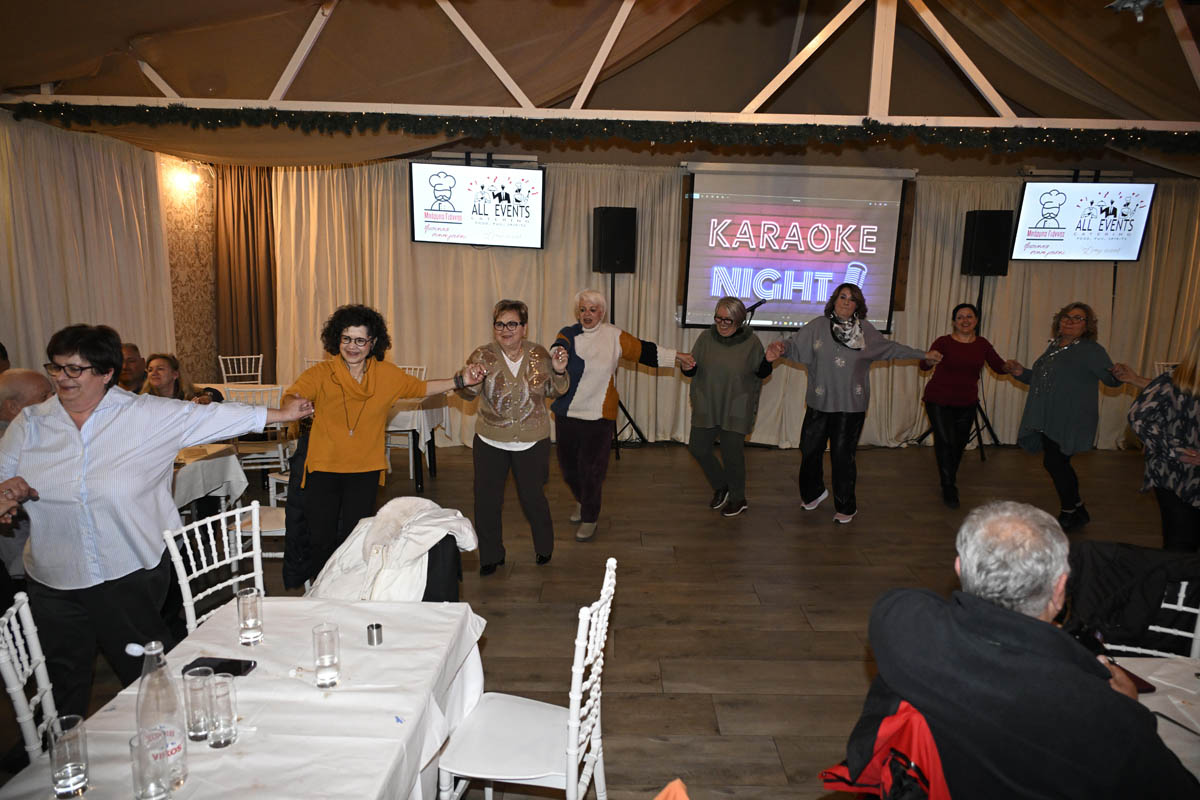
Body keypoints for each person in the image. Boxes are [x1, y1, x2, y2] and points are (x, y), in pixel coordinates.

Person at [0, 323, 313, 717]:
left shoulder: (145, 414)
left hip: (127, 568)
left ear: (106, 373)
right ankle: (62, 747)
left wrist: (282, 413)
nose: (62, 378)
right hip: (53, 574)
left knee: (145, 673)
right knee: (63, 680)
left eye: (75, 369)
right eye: (56, 367)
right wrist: (7, 492)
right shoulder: (32, 423)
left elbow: (215, 416)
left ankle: (167, 734)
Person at [864, 500, 1199, 797]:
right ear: (1060, 589)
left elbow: (913, 602)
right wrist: (1128, 708)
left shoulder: (900, 625)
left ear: (959, 569)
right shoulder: (1104, 716)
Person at [286, 304, 483, 582]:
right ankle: (321, 592)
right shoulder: (320, 374)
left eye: (360, 340)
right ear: (336, 339)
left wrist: (461, 380)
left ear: (373, 342)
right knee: (321, 540)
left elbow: (422, 388)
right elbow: (293, 394)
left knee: (356, 540)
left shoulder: (386, 375)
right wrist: (293, 404)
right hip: (323, 469)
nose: (352, 346)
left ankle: (352, 591)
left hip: (364, 470)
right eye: (346, 338)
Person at [766, 283, 941, 523]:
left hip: (851, 406)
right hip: (819, 402)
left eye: (852, 299)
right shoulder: (817, 326)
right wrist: (781, 347)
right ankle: (814, 493)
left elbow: (891, 349)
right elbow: (794, 345)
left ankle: (846, 506)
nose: (846, 302)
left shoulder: (866, 331)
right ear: (834, 301)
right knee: (809, 451)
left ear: (858, 305)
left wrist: (924, 355)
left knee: (842, 456)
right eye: (842, 297)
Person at [551, 289, 690, 542]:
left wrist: (677, 357)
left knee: (592, 471)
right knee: (569, 469)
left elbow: (645, 351)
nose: (587, 314)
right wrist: (557, 354)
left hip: (599, 416)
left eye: (593, 309)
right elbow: (559, 347)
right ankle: (582, 500)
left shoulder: (614, 336)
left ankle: (590, 516)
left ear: (602, 313)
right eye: (583, 309)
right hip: (567, 413)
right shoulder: (568, 333)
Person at [460, 300, 569, 574]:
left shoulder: (539, 355)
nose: (505, 330)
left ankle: (544, 547)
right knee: (486, 501)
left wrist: (558, 370)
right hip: (490, 440)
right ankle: (490, 556)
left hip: (532, 440)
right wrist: (466, 380)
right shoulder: (482, 355)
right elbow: (469, 394)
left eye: (512, 324)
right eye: (500, 324)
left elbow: (555, 391)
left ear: (524, 327)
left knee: (533, 499)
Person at [1006, 302, 1128, 532]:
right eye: (1066, 317)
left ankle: (1069, 511)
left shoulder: (1091, 350)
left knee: (1055, 462)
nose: (1070, 321)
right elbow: (1042, 380)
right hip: (1050, 416)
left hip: (1072, 416)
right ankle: (1078, 509)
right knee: (1057, 462)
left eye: (1078, 318)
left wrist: (1119, 373)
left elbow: (1111, 380)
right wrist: (1020, 372)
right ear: (1058, 321)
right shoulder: (1054, 347)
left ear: (1087, 325)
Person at [681, 297, 771, 518]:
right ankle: (722, 486)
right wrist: (686, 368)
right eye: (718, 318)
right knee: (698, 448)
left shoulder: (751, 343)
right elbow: (692, 369)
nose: (721, 324)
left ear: (739, 320)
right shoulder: (705, 338)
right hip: (707, 402)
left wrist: (768, 360)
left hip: (736, 404)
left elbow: (761, 372)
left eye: (727, 320)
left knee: (732, 454)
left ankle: (738, 499)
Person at [920, 302, 1010, 509]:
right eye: (960, 317)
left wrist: (1009, 367)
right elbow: (924, 365)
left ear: (976, 321)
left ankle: (949, 477)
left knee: (958, 444)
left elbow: (998, 366)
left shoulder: (982, 344)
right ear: (954, 322)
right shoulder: (943, 342)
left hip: (966, 401)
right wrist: (930, 360)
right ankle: (948, 486)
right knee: (944, 441)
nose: (965, 320)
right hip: (938, 399)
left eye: (969, 316)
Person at [1118, 328, 1200, 551]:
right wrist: (1175, 450)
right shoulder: (1173, 379)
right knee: (1180, 546)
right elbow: (1139, 417)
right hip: (1175, 474)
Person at [0, 369, 55, 607]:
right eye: (44, 397)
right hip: (25, 569)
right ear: (13, 407)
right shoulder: (12, 443)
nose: (54, 401)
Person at [140, 353, 221, 404]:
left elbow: (215, 393)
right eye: (150, 370)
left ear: (175, 374)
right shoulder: (144, 400)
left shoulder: (188, 395)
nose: (154, 373)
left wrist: (207, 397)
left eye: (160, 369)